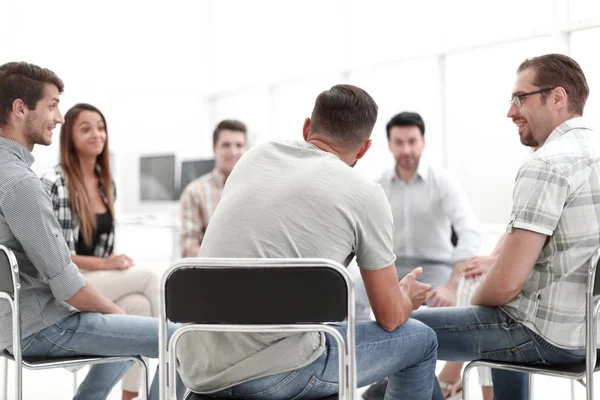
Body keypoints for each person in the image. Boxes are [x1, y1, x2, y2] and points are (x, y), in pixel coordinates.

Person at [176, 84, 444, 400]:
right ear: (364, 149)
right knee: (422, 340)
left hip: (198, 364)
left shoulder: (253, 158)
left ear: (307, 129)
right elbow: (388, 315)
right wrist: (406, 299)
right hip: (275, 373)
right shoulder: (365, 194)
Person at [411, 53, 596, 400]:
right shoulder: (593, 153)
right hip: (592, 336)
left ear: (557, 97)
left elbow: (504, 286)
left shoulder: (547, 164)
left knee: (402, 333)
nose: (511, 112)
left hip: (548, 338)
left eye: (519, 98)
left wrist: (479, 305)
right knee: (504, 317)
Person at [0, 61, 184, 400]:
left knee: (138, 308)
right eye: (52, 105)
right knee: (183, 339)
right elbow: (66, 283)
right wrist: (115, 313)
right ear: (20, 109)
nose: (58, 117)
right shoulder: (22, 183)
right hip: (41, 326)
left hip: (16, 322)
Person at [40, 103, 160, 400]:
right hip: (67, 282)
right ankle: (181, 351)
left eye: (100, 127)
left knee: (138, 306)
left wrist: (108, 265)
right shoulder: (53, 182)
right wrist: (107, 264)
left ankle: (115, 396)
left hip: (95, 277)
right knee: (147, 279)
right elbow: (55, 255)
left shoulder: (108, 185)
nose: (97, 134)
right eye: (86, 128)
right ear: (69, 137)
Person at [361, 112, 481, 400]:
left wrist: (451, 286)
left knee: (470, 289)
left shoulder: (442, 181)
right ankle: (379, 375)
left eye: (412, 141)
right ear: (388, 144)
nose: (406, 150)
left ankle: (444, 380)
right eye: (399, 142)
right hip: (392, 271)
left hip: (437, 270)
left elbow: (470, 234)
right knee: (352, 294)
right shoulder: (377, 186)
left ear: (423, 142)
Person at [180, 119, 248, 257]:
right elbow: (189, 249)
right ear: (214, 148)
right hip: (212, 274)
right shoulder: (194, 193)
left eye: (239, 145)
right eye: (226, 145)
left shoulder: (256, 190)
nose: (233, 151)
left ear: (246, 149)